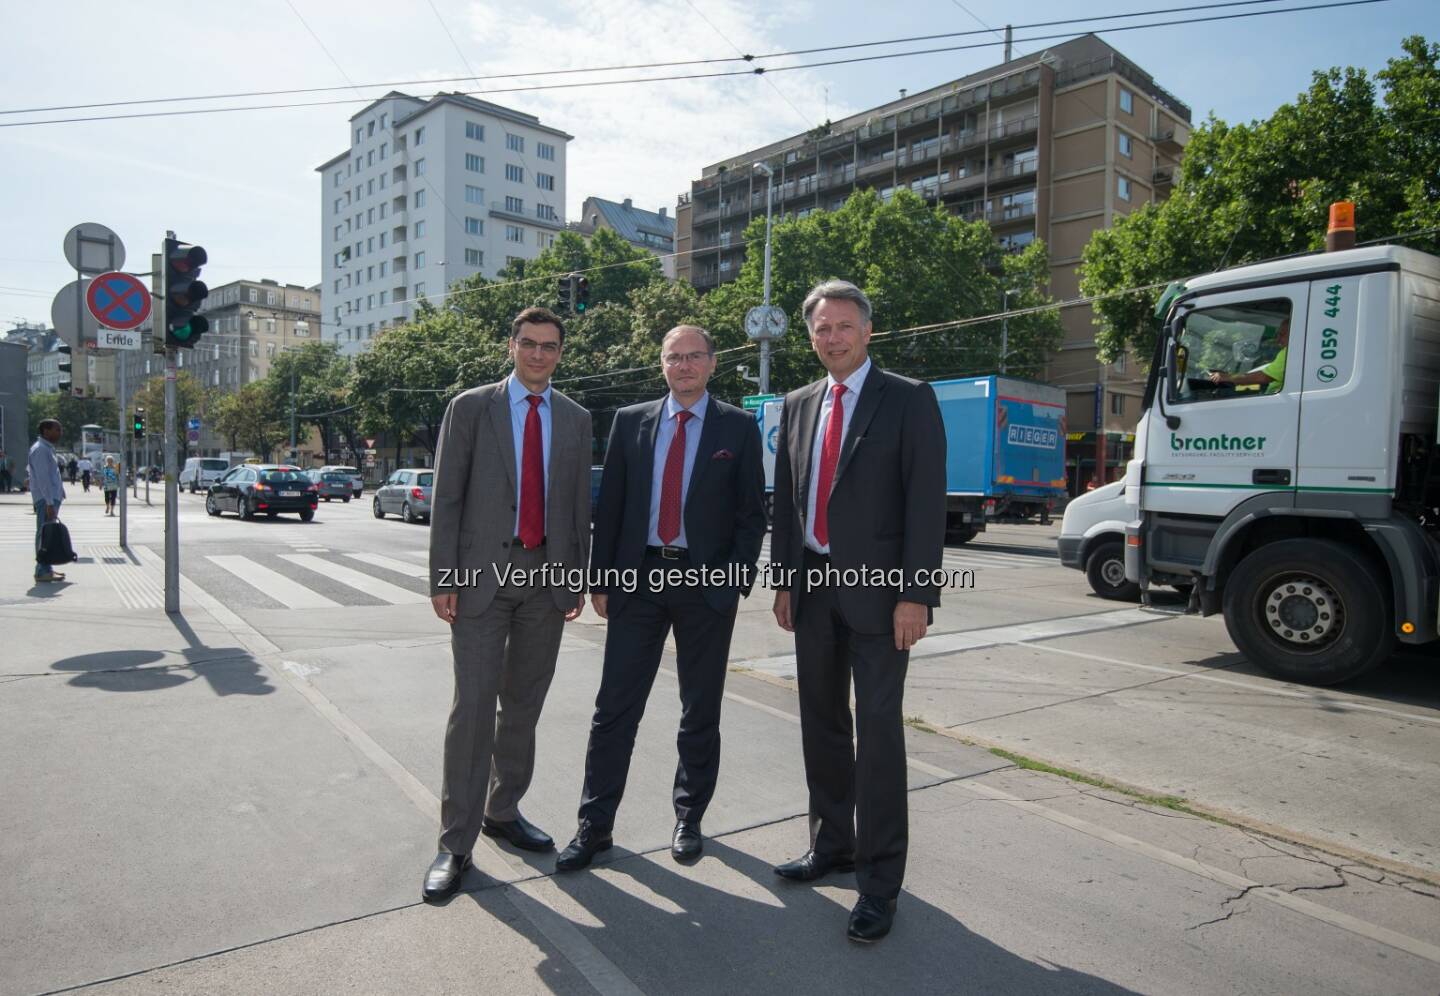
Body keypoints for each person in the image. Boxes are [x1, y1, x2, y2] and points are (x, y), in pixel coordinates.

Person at [769, 280, 947, 944]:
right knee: (820, 722)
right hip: (812, 590)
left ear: (868, 332)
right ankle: (830, 847)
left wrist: (916, 594)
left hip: (881, 596)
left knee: (877, 737)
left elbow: (925, 503)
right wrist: (785, 581)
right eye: (822, 328)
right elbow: (786, 503)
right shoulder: (797, 404)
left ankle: (878, 884)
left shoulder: (907, 399)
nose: (834, 338)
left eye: (845, 327)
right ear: (810, 335)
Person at [556, 326, 766, 872]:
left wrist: (734, 579)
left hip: (705, 588)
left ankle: (688, 818)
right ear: (662, 364)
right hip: (638, 579)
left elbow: (751, 515)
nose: (685, 365)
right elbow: (614, 507)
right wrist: (601, 579)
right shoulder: (631, 422)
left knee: (700, 709)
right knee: (614, 709)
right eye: (675, 357)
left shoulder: (738, 428)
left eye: (695, 356)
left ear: (713, 363)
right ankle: (594, 826)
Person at [422, 306, 593, 903]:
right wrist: (443, 577)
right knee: (472, 709)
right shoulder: (471, 408)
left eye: (550, 346)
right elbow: (447, 499)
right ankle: (455, 843)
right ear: (511, 345)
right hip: (479, 581)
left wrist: (575, 579)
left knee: (522, 706)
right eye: (529, 344)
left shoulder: (575, 419)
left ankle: (503, 809)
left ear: (560, 352)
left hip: (546, 583)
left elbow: (577, 510)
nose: (539, 354)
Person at [28, 419, 68, 583]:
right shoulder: (41, 450)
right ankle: (41, 570)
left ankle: (47, 568)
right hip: (46, 500)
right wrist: (50, 502)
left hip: (50, 498)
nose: (60, 432)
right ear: (46, 430)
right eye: (57, 429)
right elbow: (43, 478)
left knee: (48, 535)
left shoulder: (46, 449)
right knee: (44, 534)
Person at [1208, 318, 1289, 393]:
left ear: (1293, 333)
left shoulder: (1287, 353)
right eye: (1277, 335)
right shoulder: (1290, 353)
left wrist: (1227, 377)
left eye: (1282, 335)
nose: (1278, 340)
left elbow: (1263, 377)